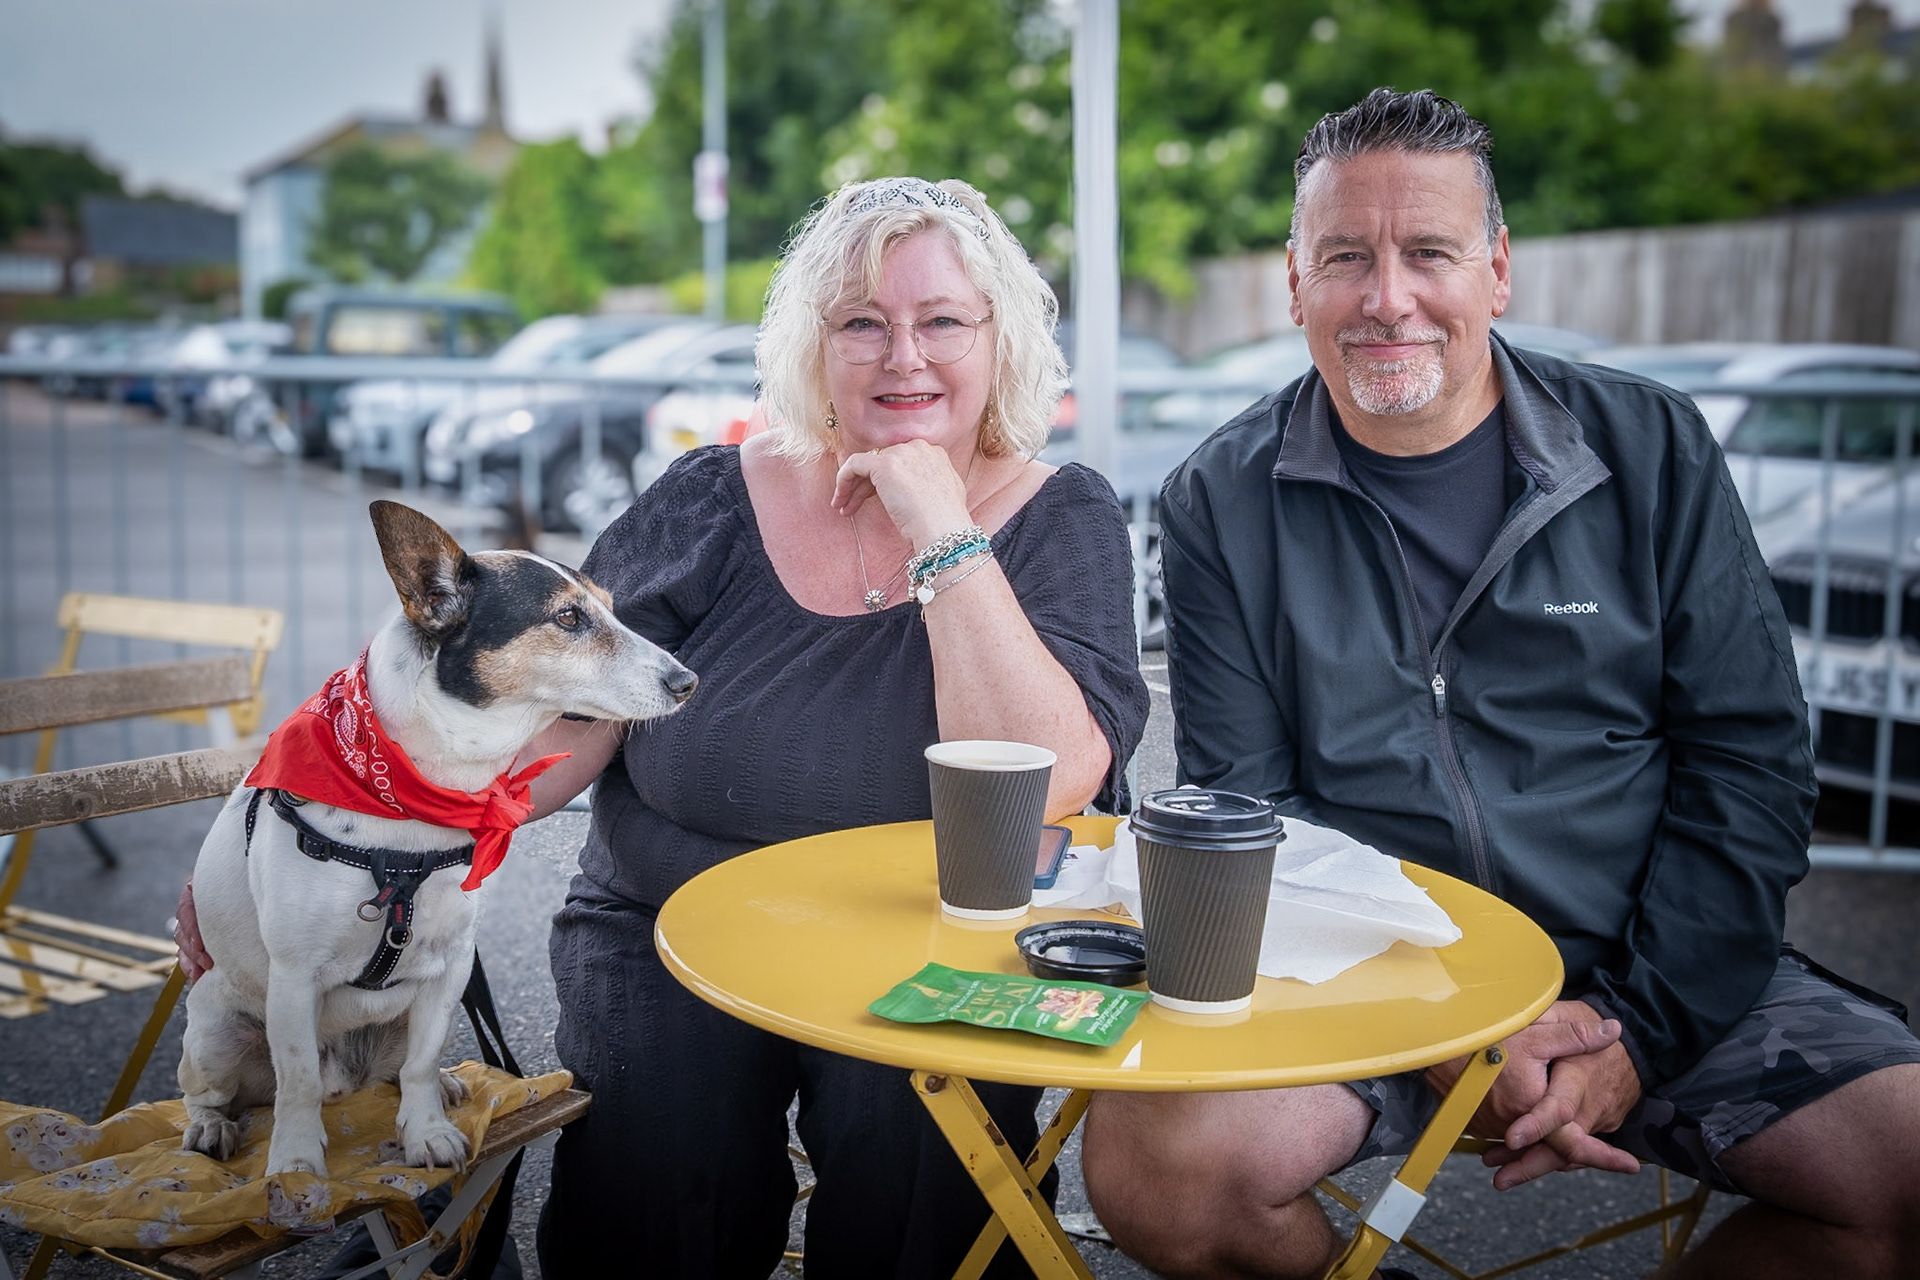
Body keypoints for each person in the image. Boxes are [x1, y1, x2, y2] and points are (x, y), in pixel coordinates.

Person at [1078, 89, 1920, 1280]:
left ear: (1499, 269)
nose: (1388, 298)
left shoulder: (1650, 448)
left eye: (1429, 252)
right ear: (1295, 283)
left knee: (1904, 1165)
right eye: (1346, 257)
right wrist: (1452, 1028)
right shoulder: (1220, 496)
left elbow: (1750, 765)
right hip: (1367, 979)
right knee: (1154, 1169)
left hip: (1653, 968)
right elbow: (1254, 811)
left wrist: (1638, 1029)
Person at [522, 177, 1147, 1277]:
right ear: (814, 345)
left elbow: (1045, 781)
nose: (904, 356)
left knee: (923, 1189)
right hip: (675, 925)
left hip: (945, 938)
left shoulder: (1064, 515)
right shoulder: (711, 497)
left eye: (942, 320)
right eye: (862, 322)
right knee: (660, 1185)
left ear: (998, 338)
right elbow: (546, 735)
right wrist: (314, 831)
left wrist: (940, 524)